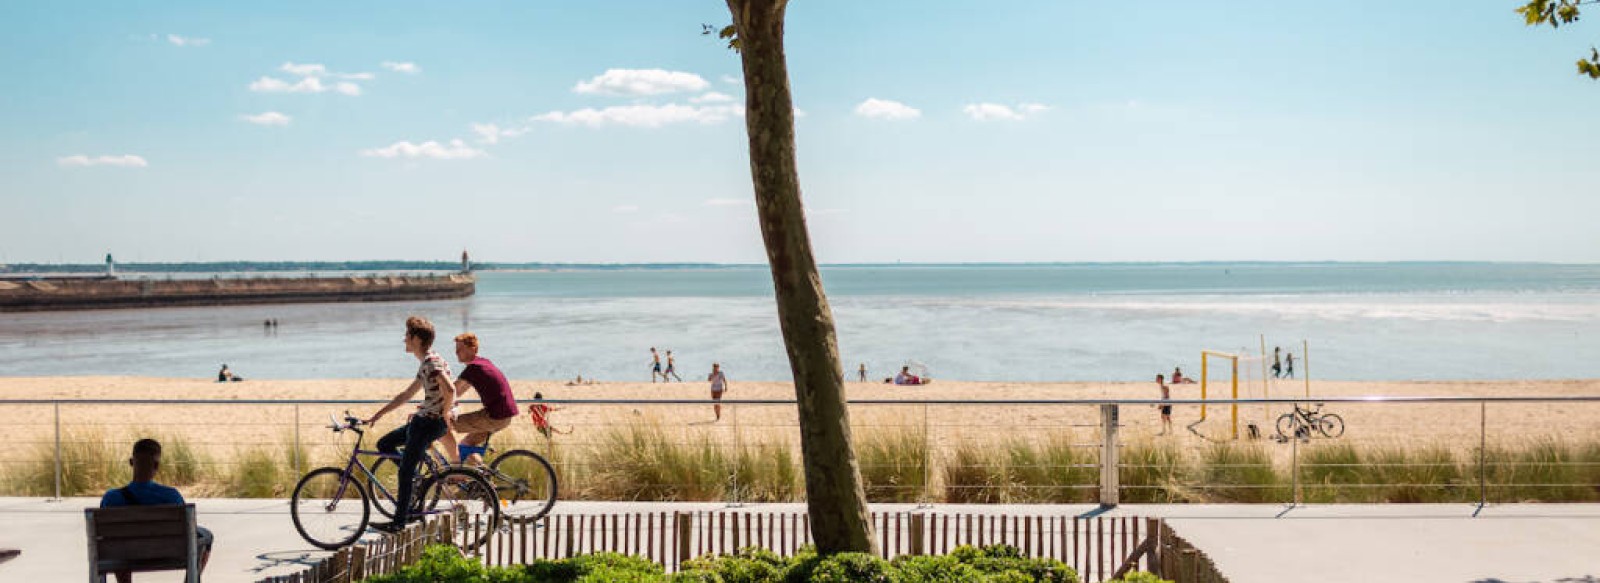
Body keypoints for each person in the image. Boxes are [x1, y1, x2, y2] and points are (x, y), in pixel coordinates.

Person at [364, 316, 456, 533]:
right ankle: (416, 472)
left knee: (404, 473)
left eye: (406, 335)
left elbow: (450, 389)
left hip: (428, 423)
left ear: (416, 338)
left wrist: (444, 414)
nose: (404, 339)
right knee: (384, 444)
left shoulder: (431, 363)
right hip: (423, 421)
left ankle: (399, 522)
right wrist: (378, 415)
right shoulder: (428, 362)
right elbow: (406, 394)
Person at [100, 439, 212, 582]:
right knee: (206, 536)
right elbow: (188, 530)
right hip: (166, 552)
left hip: (126, 554)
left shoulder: (111, 498)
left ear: (131, 462)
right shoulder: (171, 496)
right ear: (157, 465)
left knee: (119, 543)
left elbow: (104, 537)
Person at [448, 333, 519, 466]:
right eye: (456, 349)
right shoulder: (483, 363)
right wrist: (448, 403)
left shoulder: (473, 368)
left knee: (446, 425)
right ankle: (485, 482)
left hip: (494, 416)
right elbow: (457, 392)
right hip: (504, 415)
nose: (456, 352)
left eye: (460, 349)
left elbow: (451, 391)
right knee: (466, 445)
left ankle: (455, 472)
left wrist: (432, 405)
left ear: (473, 349)